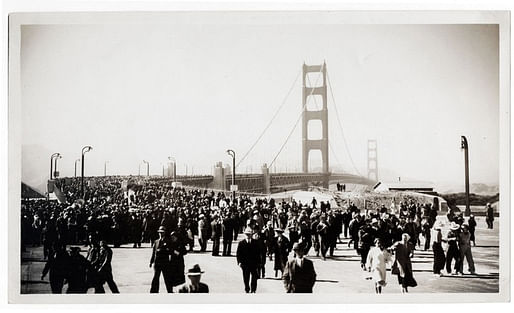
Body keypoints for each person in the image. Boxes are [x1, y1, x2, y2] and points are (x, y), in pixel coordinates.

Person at [236, 227, 261, 293]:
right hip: (245, 264)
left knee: (254, 277)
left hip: (253, 263)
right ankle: (247, 288)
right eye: (247, 234)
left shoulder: (255, 243)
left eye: (249, 234)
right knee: (246, 277)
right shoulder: (241, 243)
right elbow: (238, 254)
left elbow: (258, 253)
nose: (248, 235)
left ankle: (253, 289)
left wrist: (259, 262)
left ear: (251, 234)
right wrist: (239, 262)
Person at [149, 226, 173, 293]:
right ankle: (154, 291)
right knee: (156, 277)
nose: (160, 234)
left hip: (165, 262)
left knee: (167, 278)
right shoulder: (156, 241)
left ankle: (170, 290)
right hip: (157, 263)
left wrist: (163, 250)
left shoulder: (168, 241)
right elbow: (154, 252)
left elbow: (170, 251)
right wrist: (151, 261)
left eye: (162, 233)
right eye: (159, 232)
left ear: (164, 233)